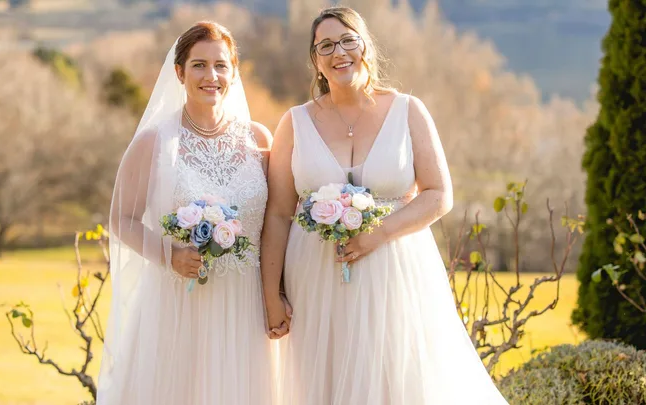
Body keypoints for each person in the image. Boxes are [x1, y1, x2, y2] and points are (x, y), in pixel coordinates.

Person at [260, 7, 509, 404]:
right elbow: (276, 214)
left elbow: (438, 194)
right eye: (325, 45)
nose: (338, 52)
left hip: (395, 271)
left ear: (366, 48)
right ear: (316, 61)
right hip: (315, 278)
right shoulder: (295, 123)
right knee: (320, 381)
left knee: (401, 379)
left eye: (347, 40)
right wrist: (271, 294)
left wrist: (378, 235)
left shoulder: (408, 110)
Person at [97, 21, 277, 405]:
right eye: (198, 65)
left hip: (244, 304)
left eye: (221, 65)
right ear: (179, 73)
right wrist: (170, 255)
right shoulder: (155, 142)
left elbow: (276, 223)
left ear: (234, 72)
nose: (211, 76)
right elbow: (121, 219)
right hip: (178, 303)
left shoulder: (259, 140)